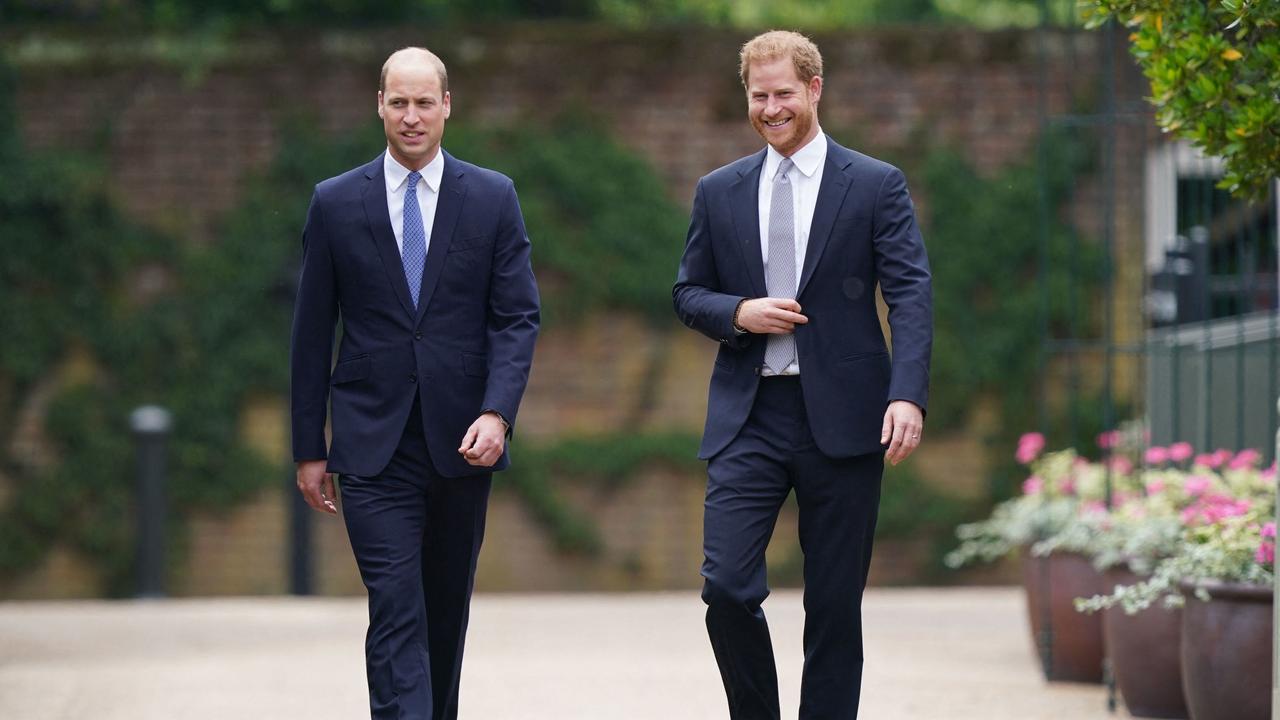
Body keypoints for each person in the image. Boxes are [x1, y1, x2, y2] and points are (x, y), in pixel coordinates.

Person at [672, 30, 933, 719]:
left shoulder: (876, 184)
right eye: (759, 95)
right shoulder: (718, 190)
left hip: (845, 417)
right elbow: (687, 293)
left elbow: (910, 293)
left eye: (783, 92)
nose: (770, 107)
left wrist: (907, 394)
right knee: (726, 588)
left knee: (835, 604)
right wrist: (740, 311)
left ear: (814, 89)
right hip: (748, 415)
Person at [290, 46, 540, 720]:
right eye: (397, 102)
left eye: (423, 102)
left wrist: (499, 412)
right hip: (373, 446)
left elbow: (517, 317)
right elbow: (311, 333)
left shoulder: (491, 198)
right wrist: (308, 447)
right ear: (379, 105)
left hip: (463, 442)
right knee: (396, 606)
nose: (410, 116)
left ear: (446, 106)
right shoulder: (336, 204)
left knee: (443, 613)